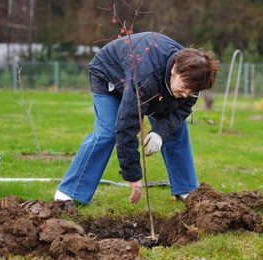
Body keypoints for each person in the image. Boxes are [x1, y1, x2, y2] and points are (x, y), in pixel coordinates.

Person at [54, 32, 219, 205]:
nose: (186, 94)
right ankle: (68, 194)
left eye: (191, 92)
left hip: (155, 85)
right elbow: (126, 125)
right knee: (107, 132)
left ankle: (186, 190)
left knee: (176, 130)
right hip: (109, 74)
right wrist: (133, 176)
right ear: (174, 70)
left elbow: (180, 112)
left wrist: (160, 133)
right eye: (184, 88)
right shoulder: (145, 77)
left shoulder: (194, 80)